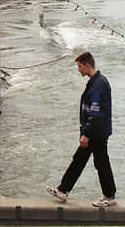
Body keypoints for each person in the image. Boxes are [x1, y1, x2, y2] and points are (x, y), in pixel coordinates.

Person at [46, 51, 116, 207]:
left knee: (101, 163)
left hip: (96, 133)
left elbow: (96, 113)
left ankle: (110, 197)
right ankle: (63, 190)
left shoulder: (98, 85)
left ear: (87, 65)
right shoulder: (96, 82)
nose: (78, 70)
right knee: (79, 160)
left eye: (79, 66)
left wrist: (86, 134)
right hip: (95, 131)